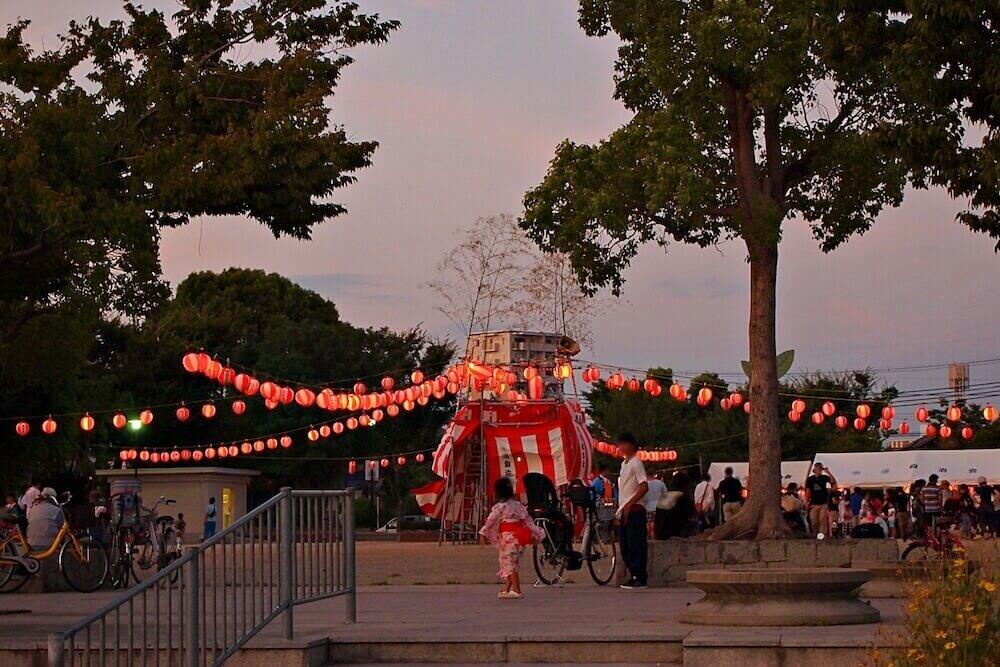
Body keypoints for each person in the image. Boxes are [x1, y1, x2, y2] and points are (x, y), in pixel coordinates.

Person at [479, 476, 544, 599]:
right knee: (510, 562)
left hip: (508, 539)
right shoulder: (518, 505)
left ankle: (517, 589)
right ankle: (507, 587)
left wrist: (483, 533)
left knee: (509, 563)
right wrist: (534, 535)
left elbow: (490, 521)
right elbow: (527, 520)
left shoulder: (500, 507)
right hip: (519, 538)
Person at [615, 433, 648, 589]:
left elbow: (643, 486)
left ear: (632, 445)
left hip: (635, 509)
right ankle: (633, 574)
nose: (622, 447)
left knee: (636, 543)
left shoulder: (636, 463)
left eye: (625, 444)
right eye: (620, 444)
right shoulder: (624, 464)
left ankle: (639, 577)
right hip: (624, 508)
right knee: (625, 544)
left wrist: (630, 504)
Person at [804, 463, 837, 537]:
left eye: (820, 469)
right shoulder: (810, 479)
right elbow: (808, 491)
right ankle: (815, 534)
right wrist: (806, 501)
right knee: (814, 520)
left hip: (823, 503)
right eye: (818, 469)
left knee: (823, 519)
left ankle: (823, 535)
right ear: (815, 469)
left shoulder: (824, 478)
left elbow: (833, 482)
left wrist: (828, 472)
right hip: (814, 503)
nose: (819, 470)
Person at [645, 471, 668, 539]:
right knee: (654, 526)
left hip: (647, 507)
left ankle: (648, 541)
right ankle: (654, 540)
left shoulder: (644, 484)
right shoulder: (660, 483)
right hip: (658, 507)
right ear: (654, 475)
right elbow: (666, 494)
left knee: (647, 525)